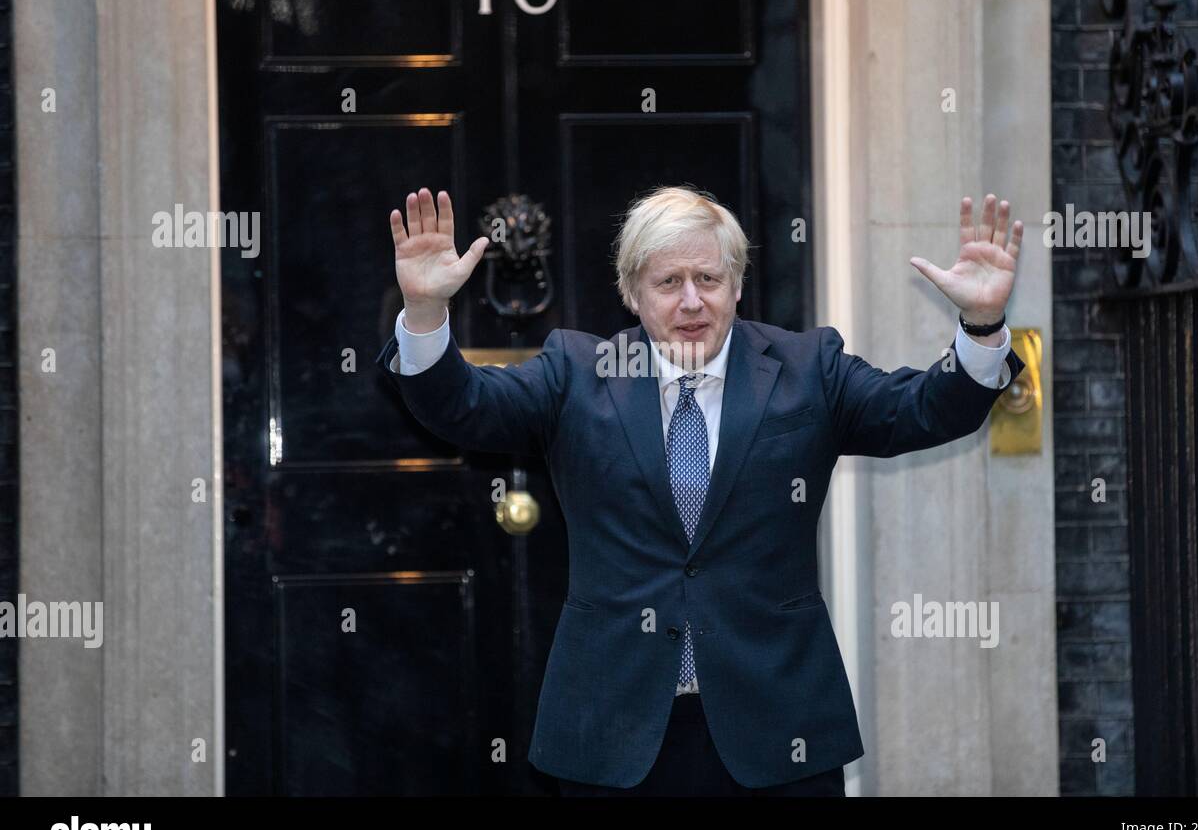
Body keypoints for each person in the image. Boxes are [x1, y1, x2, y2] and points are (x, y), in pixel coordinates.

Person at [376, 185, 1025, 796]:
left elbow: (924, 411)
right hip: (612, 733)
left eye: (709, 279)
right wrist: (427, 312)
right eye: (669, 282)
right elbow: (463, 408)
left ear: (737, 285)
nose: (692, 301)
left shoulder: (808, 370)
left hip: (778, 733)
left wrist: (983, 324)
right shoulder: (576, 373)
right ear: (633, 292)